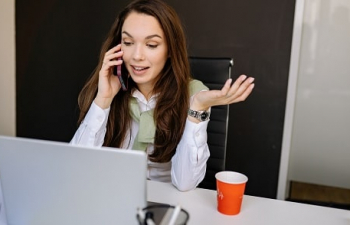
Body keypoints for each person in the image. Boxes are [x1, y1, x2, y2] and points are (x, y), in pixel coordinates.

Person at [71, 0, 255, 191]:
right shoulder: (111, 86)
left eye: (151, 44)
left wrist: (197, 110)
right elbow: (76, 168)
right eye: (128, 42)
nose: (137, 55)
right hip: (113, 194)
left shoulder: (193, 95)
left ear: (170, 50)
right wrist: (103, 99)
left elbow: (185, 183)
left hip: (166, 203)